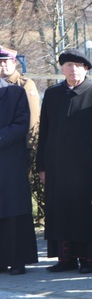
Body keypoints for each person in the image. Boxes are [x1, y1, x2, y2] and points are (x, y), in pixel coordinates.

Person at [38, 49, 92, 274]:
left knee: (86, 213)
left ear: (86, 69)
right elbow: (44, 132)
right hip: (57, 167)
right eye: (68, 65)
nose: (73, 69)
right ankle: (65, 258)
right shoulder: (53, 95)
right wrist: (41, 166)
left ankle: (87, 259)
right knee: (60, 211)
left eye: (78, 65)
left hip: (88, 169)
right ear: (62, 69)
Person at [0, 78, 38, 275]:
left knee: (13, 210)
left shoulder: (15, 92)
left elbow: (22, 123)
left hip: (9, 161)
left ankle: (17, 259)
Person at [0, 46, 40, 150]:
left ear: (14, 63)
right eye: (0, 62)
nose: (2, 65)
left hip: (19, 147)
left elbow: (33, 118)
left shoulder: (24, 85)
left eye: (5, 61)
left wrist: (31, 147)